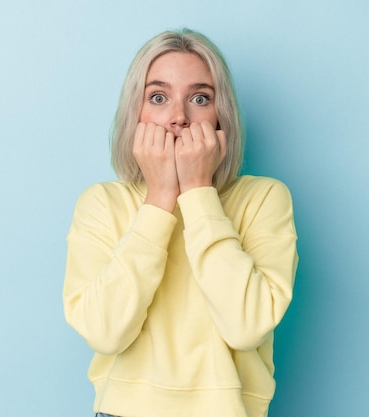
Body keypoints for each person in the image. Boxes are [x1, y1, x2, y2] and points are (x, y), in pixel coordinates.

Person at [63, 28, 298, 417]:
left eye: (200, 98)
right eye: (158, 97)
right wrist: (158, 199)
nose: (178, 118)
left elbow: (246, 327)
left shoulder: (265, 199)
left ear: (221, 116)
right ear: (134, 114)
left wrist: (197, 191)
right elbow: (104, 333)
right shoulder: (101, 204)